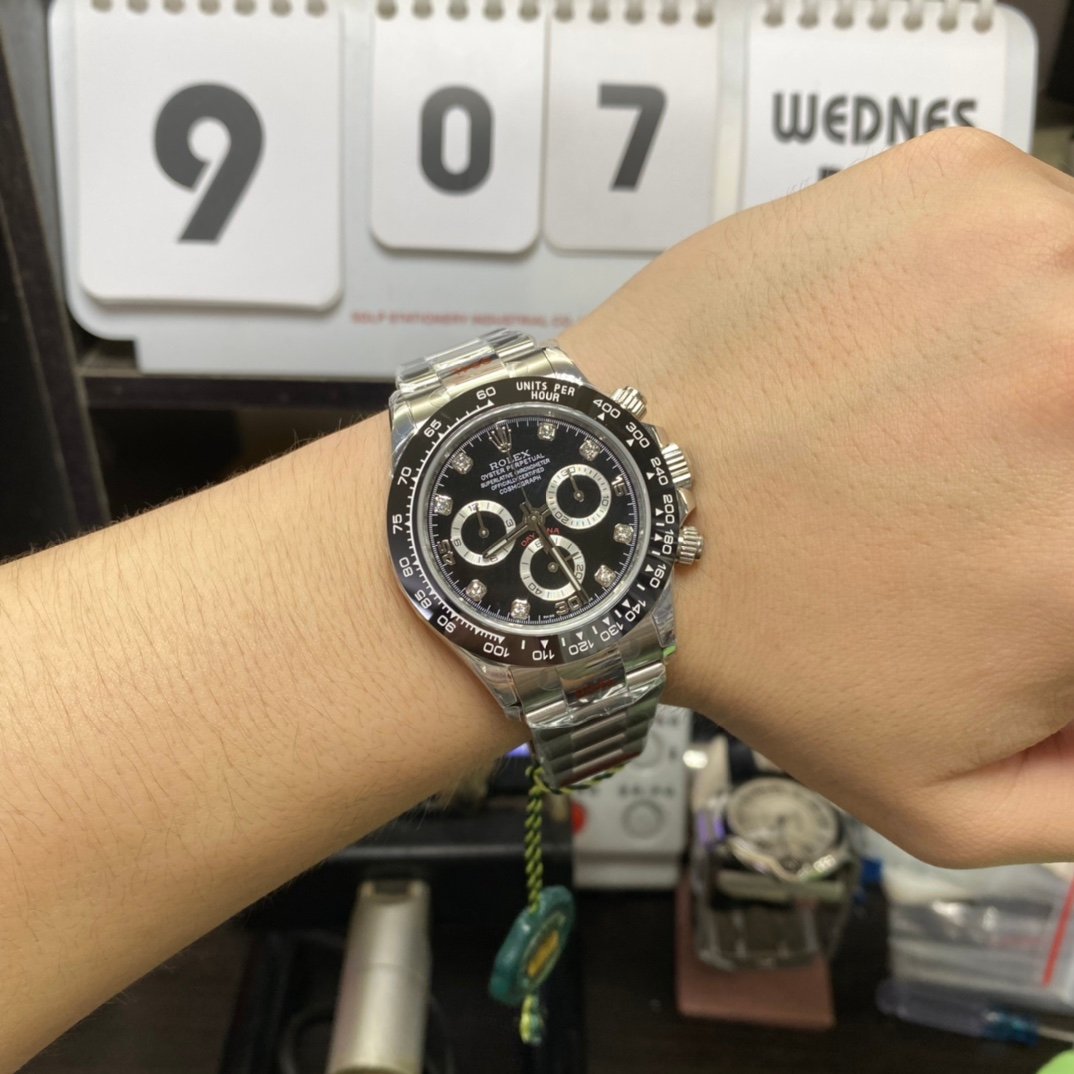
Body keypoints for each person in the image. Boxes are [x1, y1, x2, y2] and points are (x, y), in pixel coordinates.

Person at [3, 126, 1074, 1070]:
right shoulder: (463, 535)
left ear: (664, 494)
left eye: (590, 488)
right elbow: (419, 548)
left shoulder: (636, 498)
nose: (537, 526)